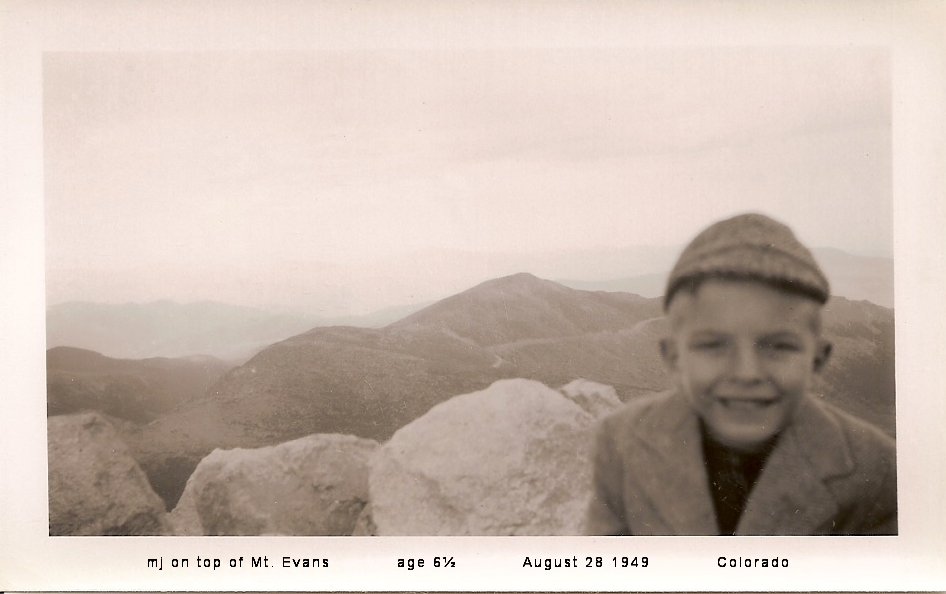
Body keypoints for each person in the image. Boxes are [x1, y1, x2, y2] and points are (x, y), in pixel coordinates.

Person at [584, 213, 897, 535]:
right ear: (674, 358)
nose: (747, 373)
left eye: (778, 346)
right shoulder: (620, 441)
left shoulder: (878, 471)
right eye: (713, 345)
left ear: (817, 361)